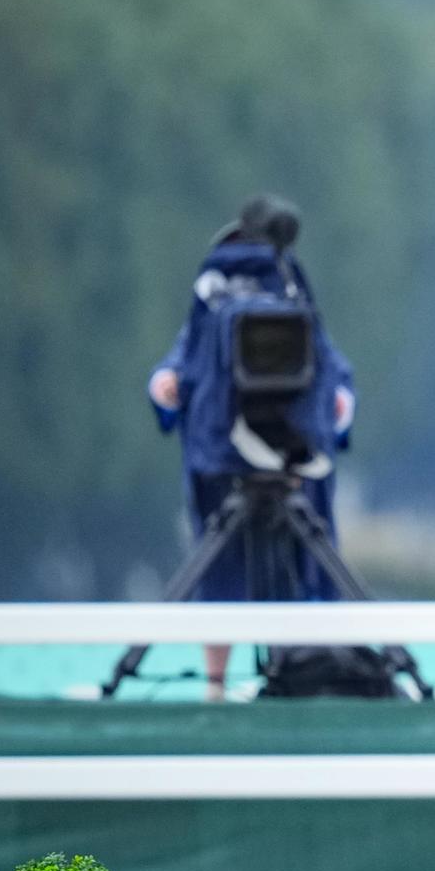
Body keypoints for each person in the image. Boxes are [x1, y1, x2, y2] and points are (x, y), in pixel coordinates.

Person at [146, 195, 356, 698]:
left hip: (256, 460)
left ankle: (236, 685)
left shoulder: (253, 298)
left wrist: (168, 386)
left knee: (222, 567)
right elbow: (329, 370)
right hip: (262, 461)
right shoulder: (236, 306)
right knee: (226, 568)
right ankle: (227, 684)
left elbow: (325, 368)